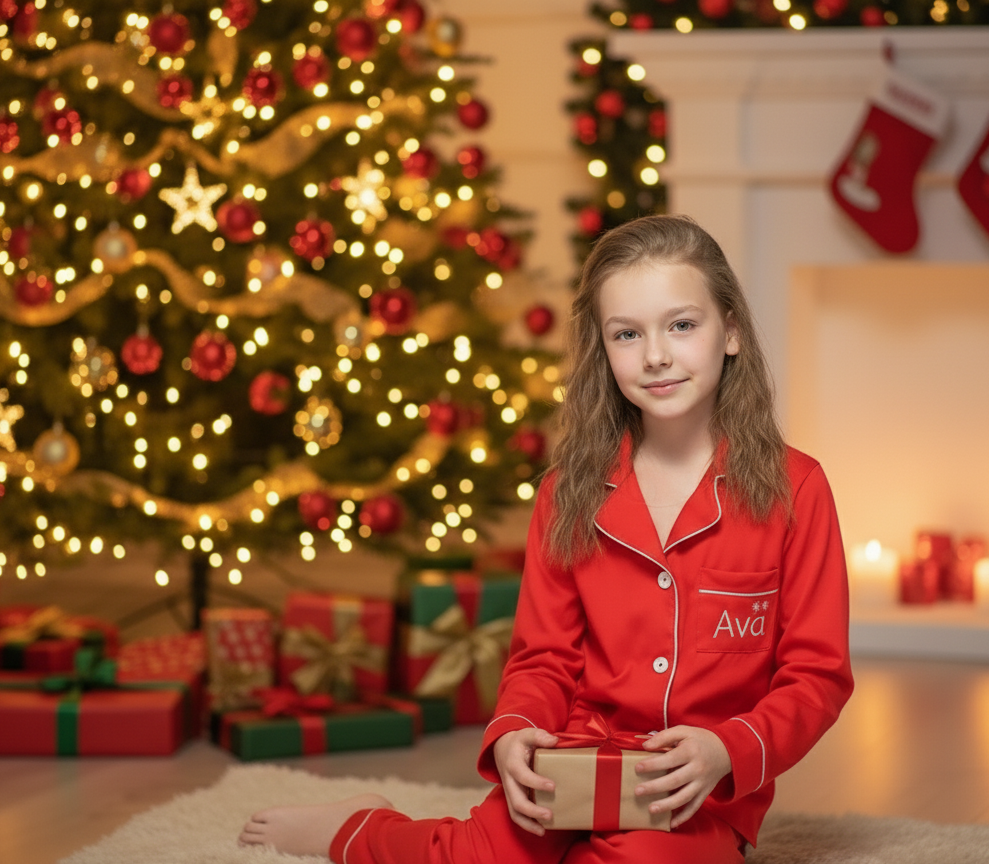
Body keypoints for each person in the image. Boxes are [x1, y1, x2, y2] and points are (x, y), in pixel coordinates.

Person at [237, 214, 854, 864]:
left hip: (698, 792)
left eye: (681, 325)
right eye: (627, 334)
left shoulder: (797, 489)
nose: (655, 355)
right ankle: (357, 831)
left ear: (729, 331)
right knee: (481, 854)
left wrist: (729, 748)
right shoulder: (567, 492)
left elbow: (815, 676)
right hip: (573, 758)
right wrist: (516, 732)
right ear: (603, 349)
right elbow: (543, 658)